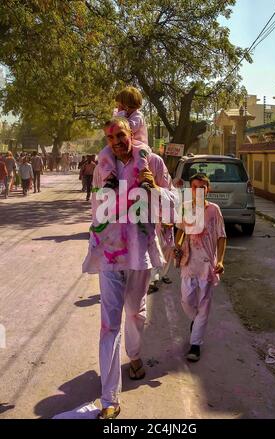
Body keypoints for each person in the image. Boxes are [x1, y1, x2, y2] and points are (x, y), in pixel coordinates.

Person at [82, 116, 178, 419]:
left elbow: (176, 203)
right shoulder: (102, 169)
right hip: (111, 254)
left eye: (120, 135)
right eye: (110, 138)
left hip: (140, 253)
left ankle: (134, 354)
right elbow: (97, 211)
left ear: (131, 133)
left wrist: (155, 190)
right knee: (108, 325)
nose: (117, 142)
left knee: (135, 313)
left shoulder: (154, 162)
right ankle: (109, 398)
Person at [175, 173, 226, 362]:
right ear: (191, 189)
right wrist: (177, 245)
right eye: (195, 186)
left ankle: (195, 344)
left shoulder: (214, 210)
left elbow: (222, 237)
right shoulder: (186, 208)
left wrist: (220, 260)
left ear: (208, 189)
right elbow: (180, 229)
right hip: (188, 262)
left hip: (206, 265)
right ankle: (196, 322)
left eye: (203, 186)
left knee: (204, 305)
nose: (199, 190)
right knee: (186, 300)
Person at [98, 87, 151, 190]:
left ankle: (144, 178)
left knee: (140, 156)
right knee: (104, 153)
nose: (117, 107)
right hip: (124, 145)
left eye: (119, 105)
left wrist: (121, 115)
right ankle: (110, 177)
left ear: (125, 106)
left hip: (138, 145)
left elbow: (128, 128)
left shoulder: (137, 115)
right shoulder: (123, 115)